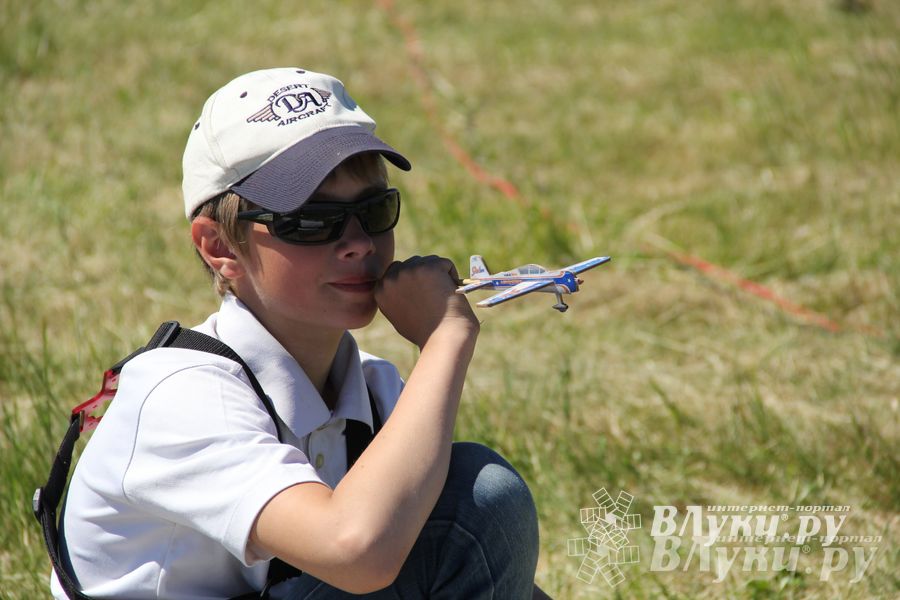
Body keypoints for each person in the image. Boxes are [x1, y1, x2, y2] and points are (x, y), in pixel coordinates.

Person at [52, 67, 547, 599]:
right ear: (219, 247)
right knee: (482, 497)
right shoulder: (182, 397)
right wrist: (444, 340)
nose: (357, 242)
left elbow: (476, 567)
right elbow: (357, 552)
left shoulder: (375, 389)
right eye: (310, 220)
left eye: (373, 210)